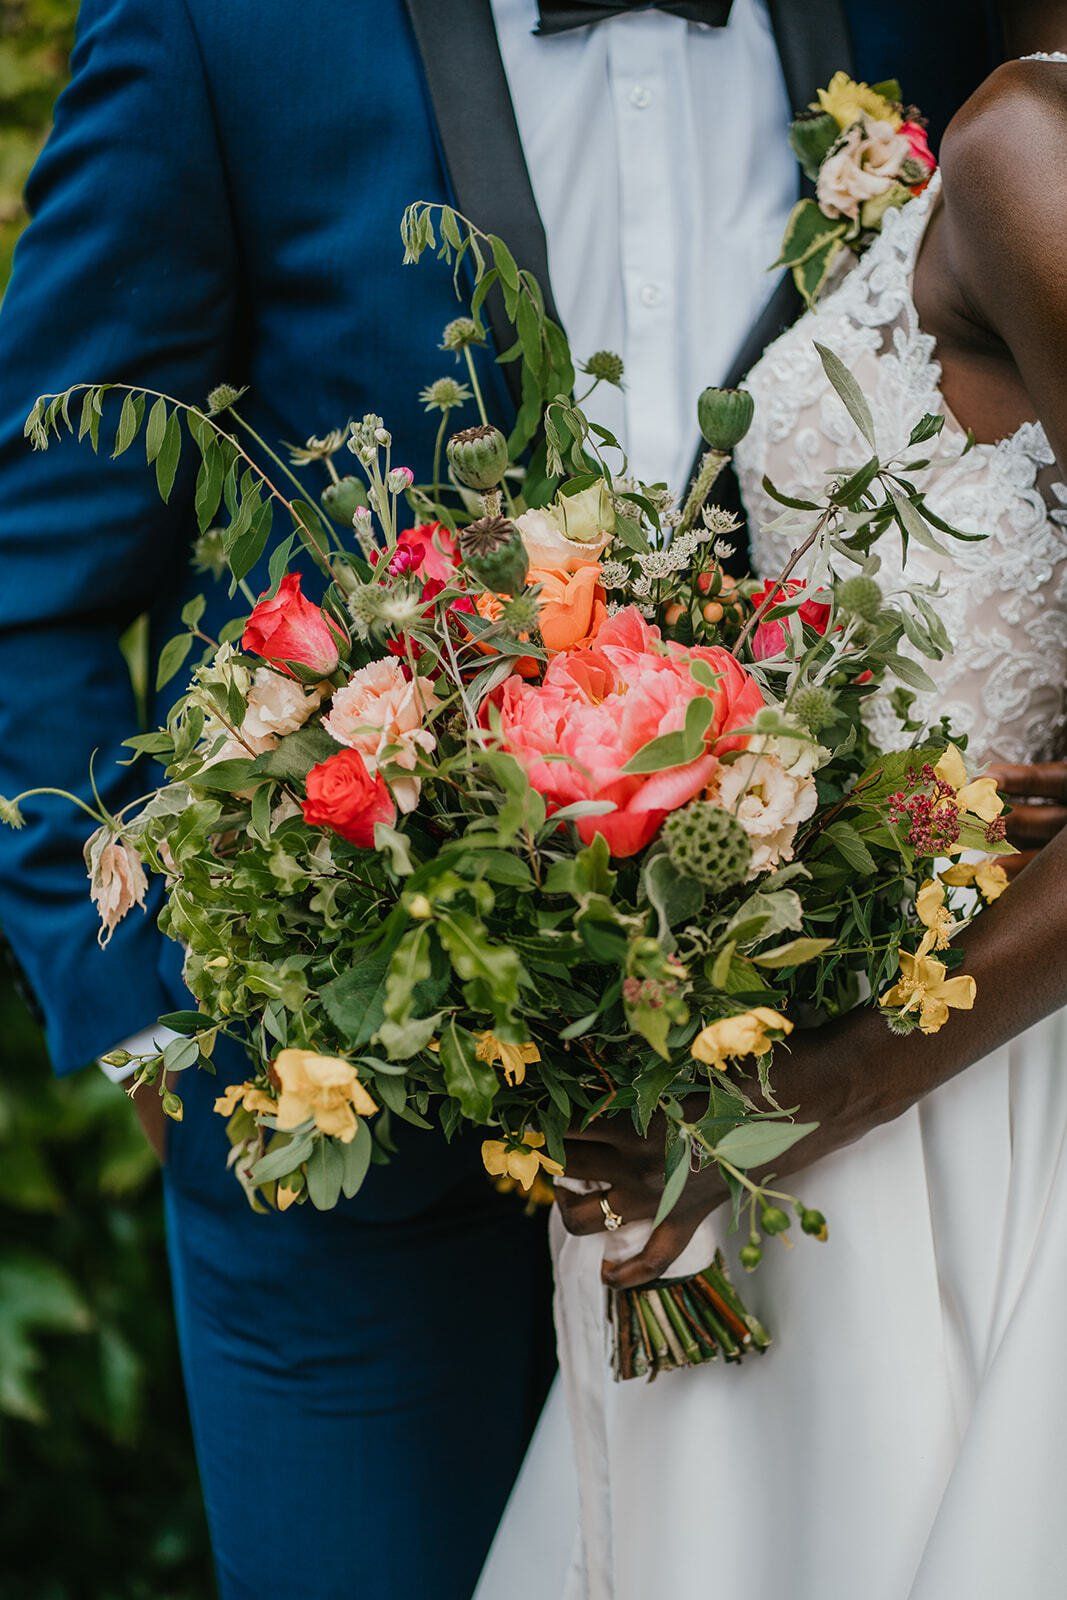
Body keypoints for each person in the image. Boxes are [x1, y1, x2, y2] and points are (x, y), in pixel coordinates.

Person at [0, 1, 1030, 1597]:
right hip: (351, 1175)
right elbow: (36, 575)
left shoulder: (909, 20)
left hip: (777, 1164)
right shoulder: (223, 32)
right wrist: (145, 1015)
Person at [482, 8, 1067, 1599]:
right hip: (826, 1016)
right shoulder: (962, 79)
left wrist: (811, 1101)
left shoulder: (1034, 138)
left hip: (922, 1086)